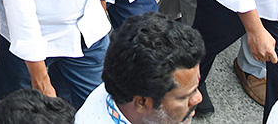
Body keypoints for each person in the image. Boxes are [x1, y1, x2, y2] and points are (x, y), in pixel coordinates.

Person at [75, 14, 204, 124]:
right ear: (142, 102)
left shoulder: (124, 85)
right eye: (184, 97)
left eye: (195, 89)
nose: (198, 98)